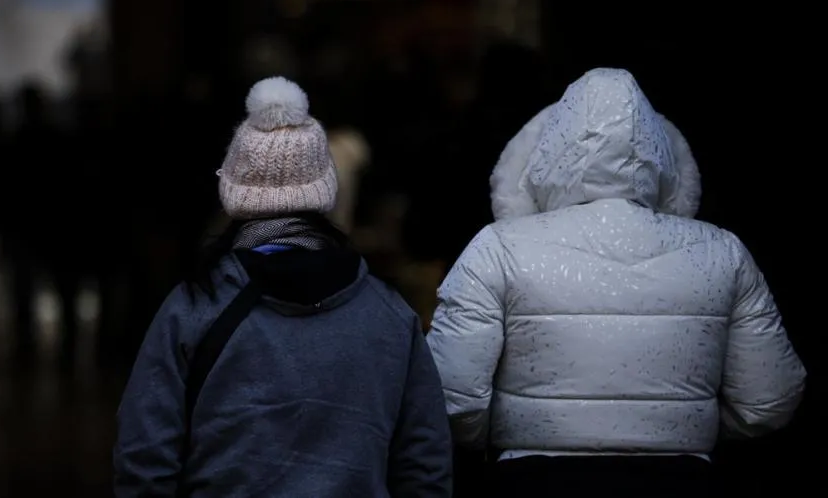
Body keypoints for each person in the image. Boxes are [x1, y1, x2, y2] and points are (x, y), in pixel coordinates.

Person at [425, 68, 806, 498]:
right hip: (683, 482)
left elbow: (451, 398)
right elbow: (768, 398)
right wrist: (681, 424)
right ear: (663, 159)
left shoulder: (498, 248)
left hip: (532, 480)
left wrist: (499, 439)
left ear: (545, 156)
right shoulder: (722, 252)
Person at [114, 77, 453, 498]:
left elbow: (144, 459)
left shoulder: (193, 308)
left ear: (234, 191)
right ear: (325, 191)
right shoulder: (390, 315)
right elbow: (425, 467)